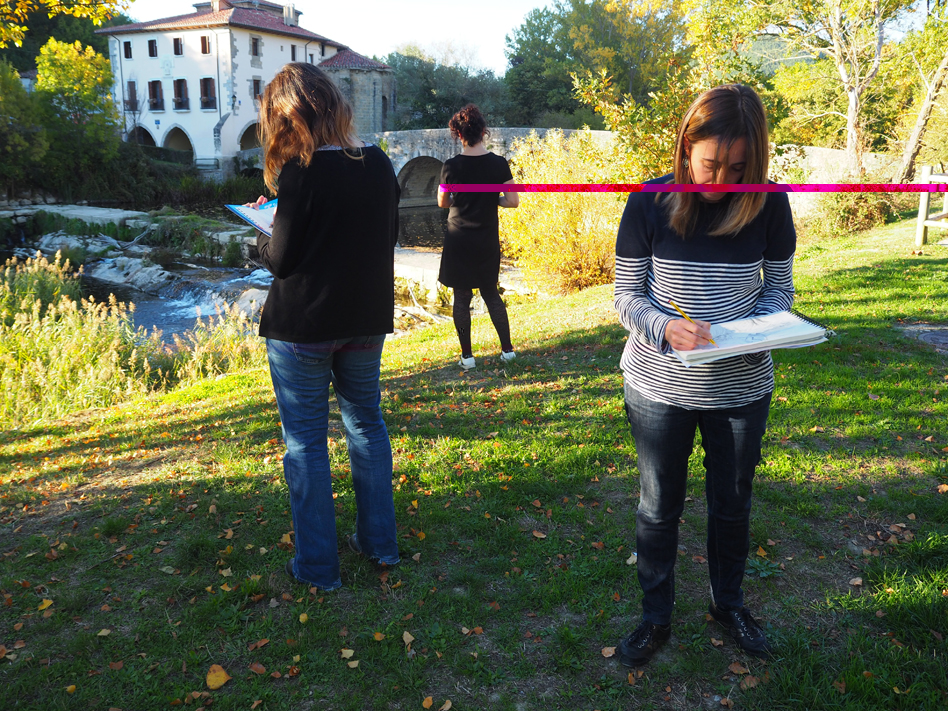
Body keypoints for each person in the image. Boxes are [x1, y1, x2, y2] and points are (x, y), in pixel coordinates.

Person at [613, 84, 795, 666]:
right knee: (658, 506)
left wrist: (754, 332)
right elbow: (626, 297)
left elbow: (780, 289)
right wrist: (665, 326)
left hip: (741, 387)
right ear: (686, 147)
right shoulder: (648, 201)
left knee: (732, 503)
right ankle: (655, 616)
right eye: (711, 164)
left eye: (738, 169)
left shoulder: (770, 203)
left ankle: (728, 604)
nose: (721, 181)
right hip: (659, 386)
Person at [251, 63, 401, 591]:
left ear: (288, 116)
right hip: (364, 319)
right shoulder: (379, 163)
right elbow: (386, 236)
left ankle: (318, 568)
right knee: (367, 426)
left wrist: (262, 232)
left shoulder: (301, 171)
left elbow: (281, 260)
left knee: (307, 444)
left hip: (304, 326)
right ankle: (380, 544)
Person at [437, 104, 519, 370]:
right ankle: (507, 351)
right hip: (486, 239)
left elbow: (442, 202)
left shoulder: (450, 166)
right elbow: (512, 201)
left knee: (462, 298)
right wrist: (491, 200)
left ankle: (468, 357)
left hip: (458, 239)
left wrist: (461, 199)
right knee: (491, 294)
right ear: (483, 131)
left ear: (458, 134)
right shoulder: (499, 164)